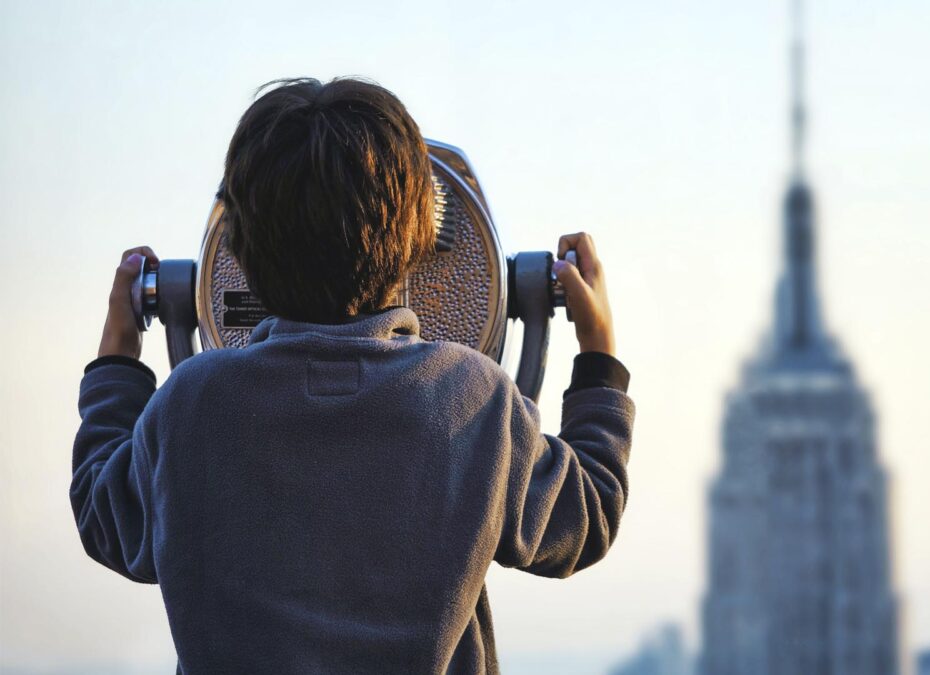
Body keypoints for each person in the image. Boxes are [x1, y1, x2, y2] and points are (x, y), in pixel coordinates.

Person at [71, 77, 634, 674]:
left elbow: (104, 517)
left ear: (233, 244)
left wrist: (118, 357)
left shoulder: (191, 405)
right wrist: (598, 354)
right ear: (420, 236)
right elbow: (588, 514)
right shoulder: (474, 401)